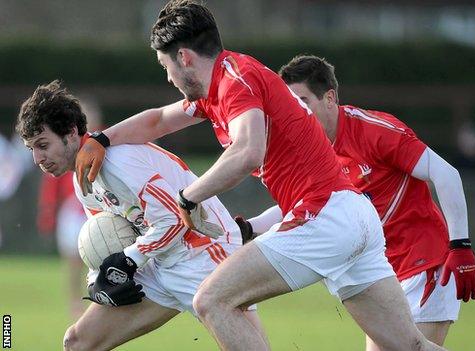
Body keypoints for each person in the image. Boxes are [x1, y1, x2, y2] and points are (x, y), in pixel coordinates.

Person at [75, 1, 446, 350]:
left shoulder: (235, 79)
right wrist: (102, 138)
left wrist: (189, 196)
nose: (168, 77)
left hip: (324, 217)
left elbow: (247, 150)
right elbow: (158, 120)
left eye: (165, 66)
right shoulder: (217, 88)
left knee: (212, 300)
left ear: (184, 58)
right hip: (351, 216)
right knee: (410, 346)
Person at [16, 80, 263, 351]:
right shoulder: (82, 180)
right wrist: (98, 281)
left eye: (43, 145)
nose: (38, 158)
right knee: (77, 342)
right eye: (32, 149)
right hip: (159, 265)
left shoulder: (118, 161)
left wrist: (128, 260)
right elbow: (102, 236)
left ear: (71, 133)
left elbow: (174, 219)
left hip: (203, 256)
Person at [271, 55, 475, 347]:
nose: (297, 112)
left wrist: (460, 246)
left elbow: (445, 173)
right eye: (291, 105)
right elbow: (301, 206)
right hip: (380, 276)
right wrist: (248, 228)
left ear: (330, 98)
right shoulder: (311, 151)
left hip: (425, 265)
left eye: (303, 101)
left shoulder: (372, 130)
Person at [36, 97, 103, 319]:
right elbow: (52, 182)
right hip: (73, 209)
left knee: (102, 256)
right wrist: (48, 213)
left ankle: (101, 298)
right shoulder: (64, 147)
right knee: (73, 260)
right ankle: (75, 301)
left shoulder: (105, 139)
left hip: (101, 209)